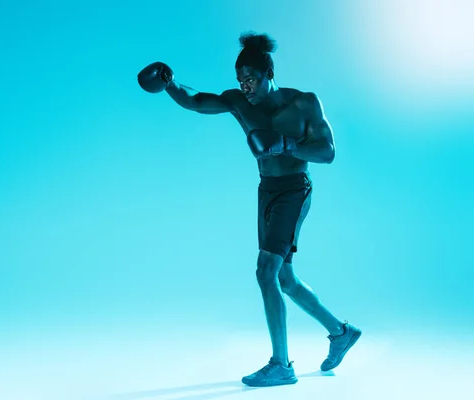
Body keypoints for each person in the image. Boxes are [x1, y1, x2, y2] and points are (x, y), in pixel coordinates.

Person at [137, 32, 362, 387]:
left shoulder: (304, 103)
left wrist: (286, 144)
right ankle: (341, 332)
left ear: (269, 74)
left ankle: (281, 365)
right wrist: (171, 84)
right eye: (240, 80)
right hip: (266, 191)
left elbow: (327, 152)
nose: (246, 87)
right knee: (284, 278)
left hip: (294, 190)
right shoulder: (239, 103)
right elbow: (196, 101)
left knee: (265, 271)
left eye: (252, 79)